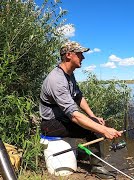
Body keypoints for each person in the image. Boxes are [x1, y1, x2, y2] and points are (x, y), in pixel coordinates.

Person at [39, 41, 121, 179]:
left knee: (95, 124)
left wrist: (93, 116)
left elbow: (78, 97)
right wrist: (104, 130)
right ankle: (97, 168)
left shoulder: (69, 74)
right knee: (94, 130)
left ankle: (84, 154)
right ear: (69, 55)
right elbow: (74, 116)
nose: (83, 57)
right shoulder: (56, 79)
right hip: (50, 124)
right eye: (80, 54)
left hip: (61, 118)